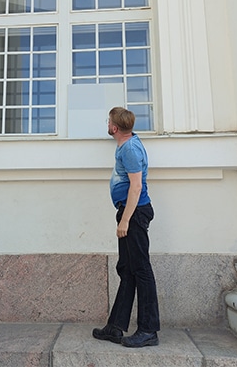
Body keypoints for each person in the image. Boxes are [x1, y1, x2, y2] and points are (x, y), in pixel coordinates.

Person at [92, 107, 160, 348]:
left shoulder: (130, 149)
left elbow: (136, 186)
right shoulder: (127, 145)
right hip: (131, 212)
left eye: (108, 121)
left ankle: (149, 330)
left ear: (114, 127)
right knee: (127, 268)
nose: (107, 124)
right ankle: (115, 327)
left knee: (141, 269)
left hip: (135, 213)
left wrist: (125, 221)